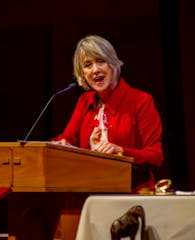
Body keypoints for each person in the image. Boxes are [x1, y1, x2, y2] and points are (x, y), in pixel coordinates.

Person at [51, 35, 164, 193]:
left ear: (113, 63)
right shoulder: (84, 102)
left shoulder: (141, 101)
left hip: (132, 195)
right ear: (82, 73)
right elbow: (67, 139)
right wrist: (60, 145)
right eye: (88, 65)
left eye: (101, 61)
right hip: (89, 194)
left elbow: (155, 156)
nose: (95, 70)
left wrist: (121, 151)